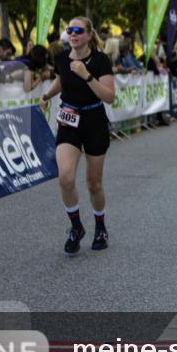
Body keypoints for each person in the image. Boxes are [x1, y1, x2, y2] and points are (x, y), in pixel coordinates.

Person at [38, 17, 116, 256]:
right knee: (65, 177)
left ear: (89, 34)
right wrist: (47, 95)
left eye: (78, 30)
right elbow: (62, 79)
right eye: (70, 30)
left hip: (94, 122)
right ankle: (76, 227)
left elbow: (109, 96)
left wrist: (87, 75)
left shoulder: (101, 60)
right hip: (69, 121)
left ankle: (100, 227)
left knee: (94, 183)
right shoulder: (62, 58)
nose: (73, 34)